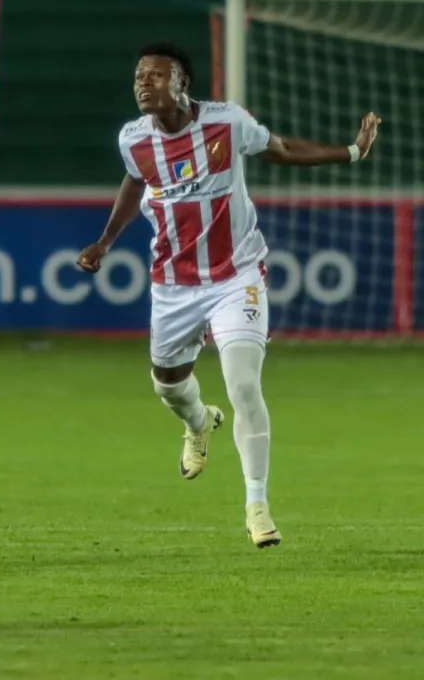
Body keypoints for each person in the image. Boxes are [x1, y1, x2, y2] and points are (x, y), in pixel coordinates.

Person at [77, 43, 381, 547]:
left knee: (243, 385)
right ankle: (199, 422)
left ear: (182, 84)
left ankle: (256, 505)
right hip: (173, 284)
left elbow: (281, 149)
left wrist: (350, 151)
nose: (142, 82)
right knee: (168, 384)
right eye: (138, 75)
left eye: (155, 75)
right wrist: (105, 241)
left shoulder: (226, 123)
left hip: (236, 276)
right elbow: (134, 184)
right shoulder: (132, 139)